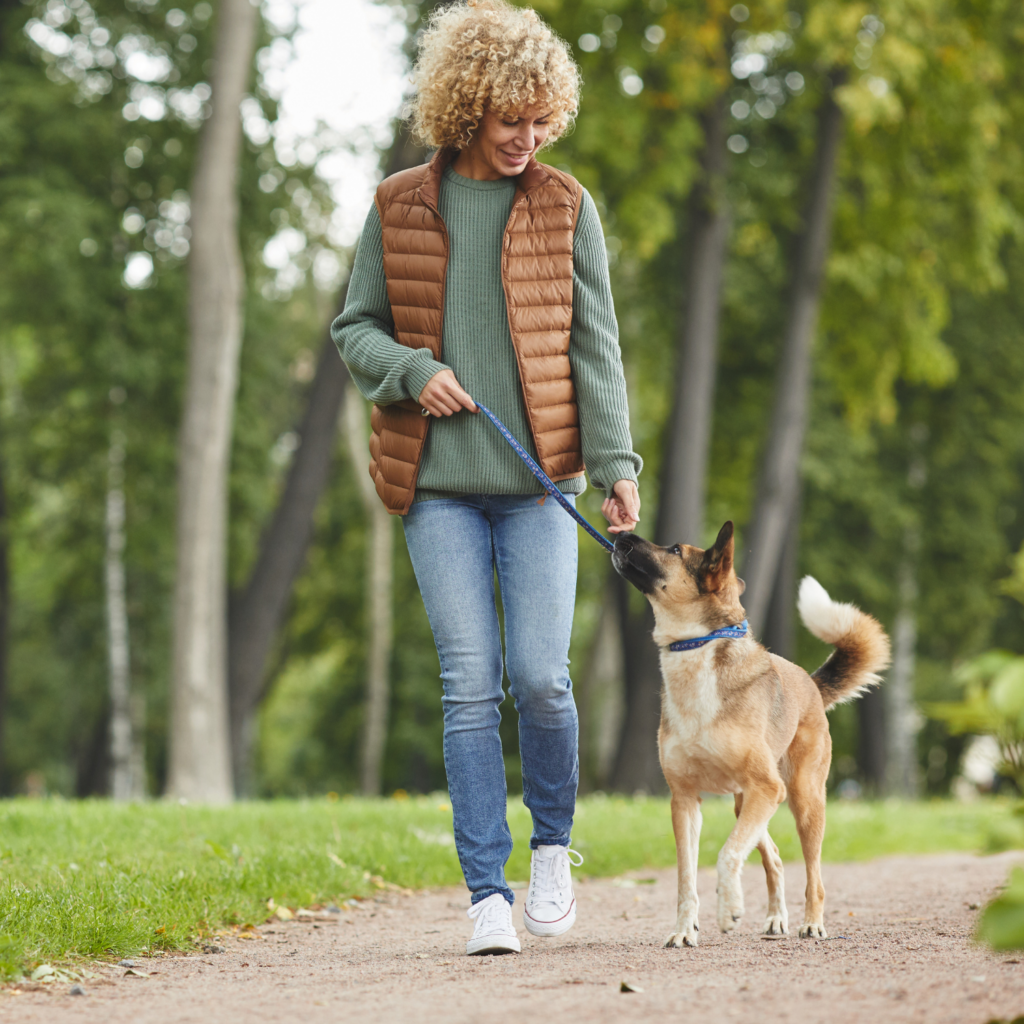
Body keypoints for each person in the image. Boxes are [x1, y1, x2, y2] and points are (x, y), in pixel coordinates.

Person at [333, 0, 641, 956]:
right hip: (437, 487)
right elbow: (355, 328)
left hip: (543, 482)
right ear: (467, 110)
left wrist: (617, 465)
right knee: (470, 685)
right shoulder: (399, 204)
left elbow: (597, 347)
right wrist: (413, 371)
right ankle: (485, 895)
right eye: (514, 121)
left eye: (543, 120)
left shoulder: (565, 204)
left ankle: (553, 847)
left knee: (543, 679)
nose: (530, 138)